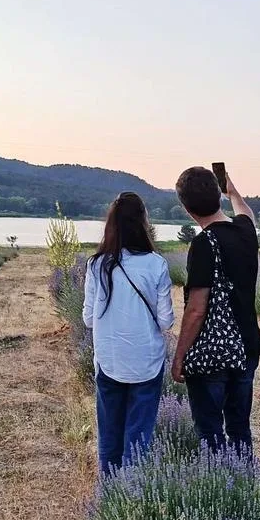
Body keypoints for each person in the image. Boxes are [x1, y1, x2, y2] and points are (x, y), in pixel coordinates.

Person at [171, 166, 260, 453]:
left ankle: (221, 485)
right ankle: (242, 486)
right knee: (239, 428)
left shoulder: (203, 244)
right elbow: (245, 209)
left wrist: (180, 356)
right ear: (218, 196)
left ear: (187, 209)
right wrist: (231, 189)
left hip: (213, 353)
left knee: (210, 431)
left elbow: (197, 309)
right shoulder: (245, 231)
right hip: (247, 348)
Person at [82, 192, 175, 473]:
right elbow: (166, 321)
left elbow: (88, 319)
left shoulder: (96, 265)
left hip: (109, 359)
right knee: (139, 435)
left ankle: (109, 493)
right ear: (143, 223)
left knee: (109, 433)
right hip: (146, 361)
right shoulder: (156, 264)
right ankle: (131, 496)